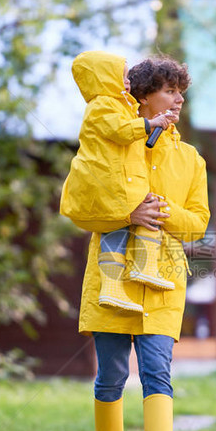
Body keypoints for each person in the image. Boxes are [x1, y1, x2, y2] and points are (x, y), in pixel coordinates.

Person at [62, 55, 210, 431]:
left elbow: (199, 222)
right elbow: (76, 208)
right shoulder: (108, 144)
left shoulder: (190, 159)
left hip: (162, 278)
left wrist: (160, 214)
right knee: (111, 374)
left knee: (157, 370)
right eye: (169, 89)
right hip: (112, 280)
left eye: (180, 90)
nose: (178, 98)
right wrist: (128, 214)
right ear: (141, 96)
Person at [61, 51, 178, 314]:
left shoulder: (121, 106)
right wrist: (150, 122)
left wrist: (161, 126)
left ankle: (141, 269)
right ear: (103, 78)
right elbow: (122, 131)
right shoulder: (102, 105)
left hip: (120, 181)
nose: (127, 82)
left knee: (136, 219)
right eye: (121, 76)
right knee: (124, 225)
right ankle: (119, 282)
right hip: (108, 183)